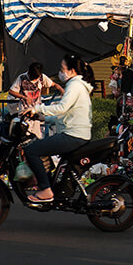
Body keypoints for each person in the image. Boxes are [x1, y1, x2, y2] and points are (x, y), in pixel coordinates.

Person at [22, 54, 94, 203]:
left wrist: (37, 108)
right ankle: (48, 183)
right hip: (75, 133)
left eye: (62, 69)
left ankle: (45, 190)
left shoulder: (74, 85)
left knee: (31, 150)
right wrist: (42, 118)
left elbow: (62, 108)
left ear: (72, 70)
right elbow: (65, 115)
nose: (60, 72)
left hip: (72, 135)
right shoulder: (77, 85)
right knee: (41, 148)